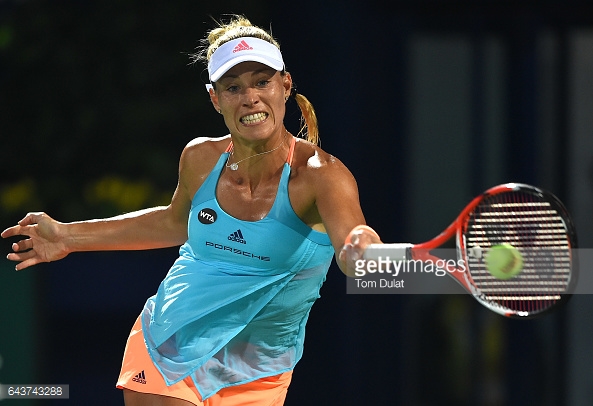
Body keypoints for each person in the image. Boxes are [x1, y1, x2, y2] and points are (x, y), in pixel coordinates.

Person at [1, 15, 381, 406]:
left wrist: (372, 253)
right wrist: (67, 236)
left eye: (262, 82)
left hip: (261, 370)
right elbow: (175, 222)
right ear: (216, 99)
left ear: (285, 86)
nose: (250, 97)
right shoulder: (200, 158)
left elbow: (357, 253)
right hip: (170, 346)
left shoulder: (322, 176)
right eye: (233, 87)